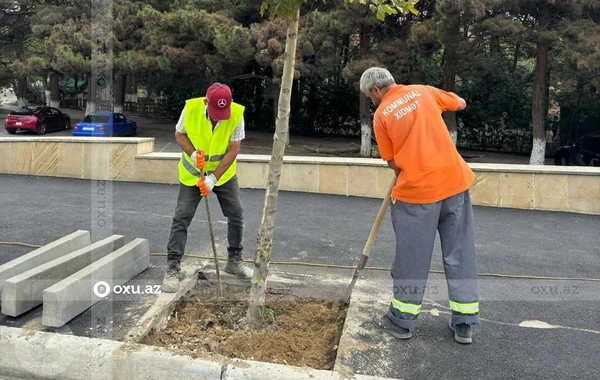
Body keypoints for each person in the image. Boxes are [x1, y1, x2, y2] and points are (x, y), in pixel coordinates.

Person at [360, 67, 480, 344]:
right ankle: (464, 323)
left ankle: (401, 322)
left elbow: (392, 162)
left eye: (370, 97)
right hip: (455, 185)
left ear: (376, 90)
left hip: (416, 195)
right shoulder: (425, 91)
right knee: (460, 253)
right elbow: (459, 102)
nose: (373, 101)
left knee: (412, 260)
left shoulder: (381, 115)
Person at [162, 82, 253, 293]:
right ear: (206, 102)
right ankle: (173, 266)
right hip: (194, 172)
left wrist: (213, 178)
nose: (219, 117)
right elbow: (179, 134)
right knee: (182, 216)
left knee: (236, 213)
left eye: (223, 112)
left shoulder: (236, 114)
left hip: (223, 173)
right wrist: (193, 154)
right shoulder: (191, 108)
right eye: (215, 112)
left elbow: (233, 149)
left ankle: (234, 260)